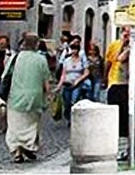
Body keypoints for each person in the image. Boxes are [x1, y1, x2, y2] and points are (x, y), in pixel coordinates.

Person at [5, 33, 52, 163]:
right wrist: (49, 96)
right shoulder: (41, 59)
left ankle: (17, 152)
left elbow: (6, 75)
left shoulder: (16, 57)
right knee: (31, 124)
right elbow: (46, 80)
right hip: (34, 97)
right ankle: (28, 147)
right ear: (36, 44)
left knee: (15, 126)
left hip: (15, 96)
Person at [104, 27, 135, 161]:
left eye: (128, 31)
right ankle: (130, 149)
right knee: (128, 118)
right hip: (125, 84)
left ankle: (128, 149)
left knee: (125, 118)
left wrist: (124, 43)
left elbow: (119, 58)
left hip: (125, 84)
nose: (125, 34)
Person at [55, 41, 89, 125]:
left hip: (77, 84)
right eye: (73, 49)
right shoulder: (67, 61)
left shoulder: (82, 61)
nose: (74, 51)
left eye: (76, 49)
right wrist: (59, 85)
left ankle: (72, 119)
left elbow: (86, 72)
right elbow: (63, 74)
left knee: (74, 101)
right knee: (66, 103)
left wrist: (79, 79)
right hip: (67, 83)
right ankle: (67, 115)